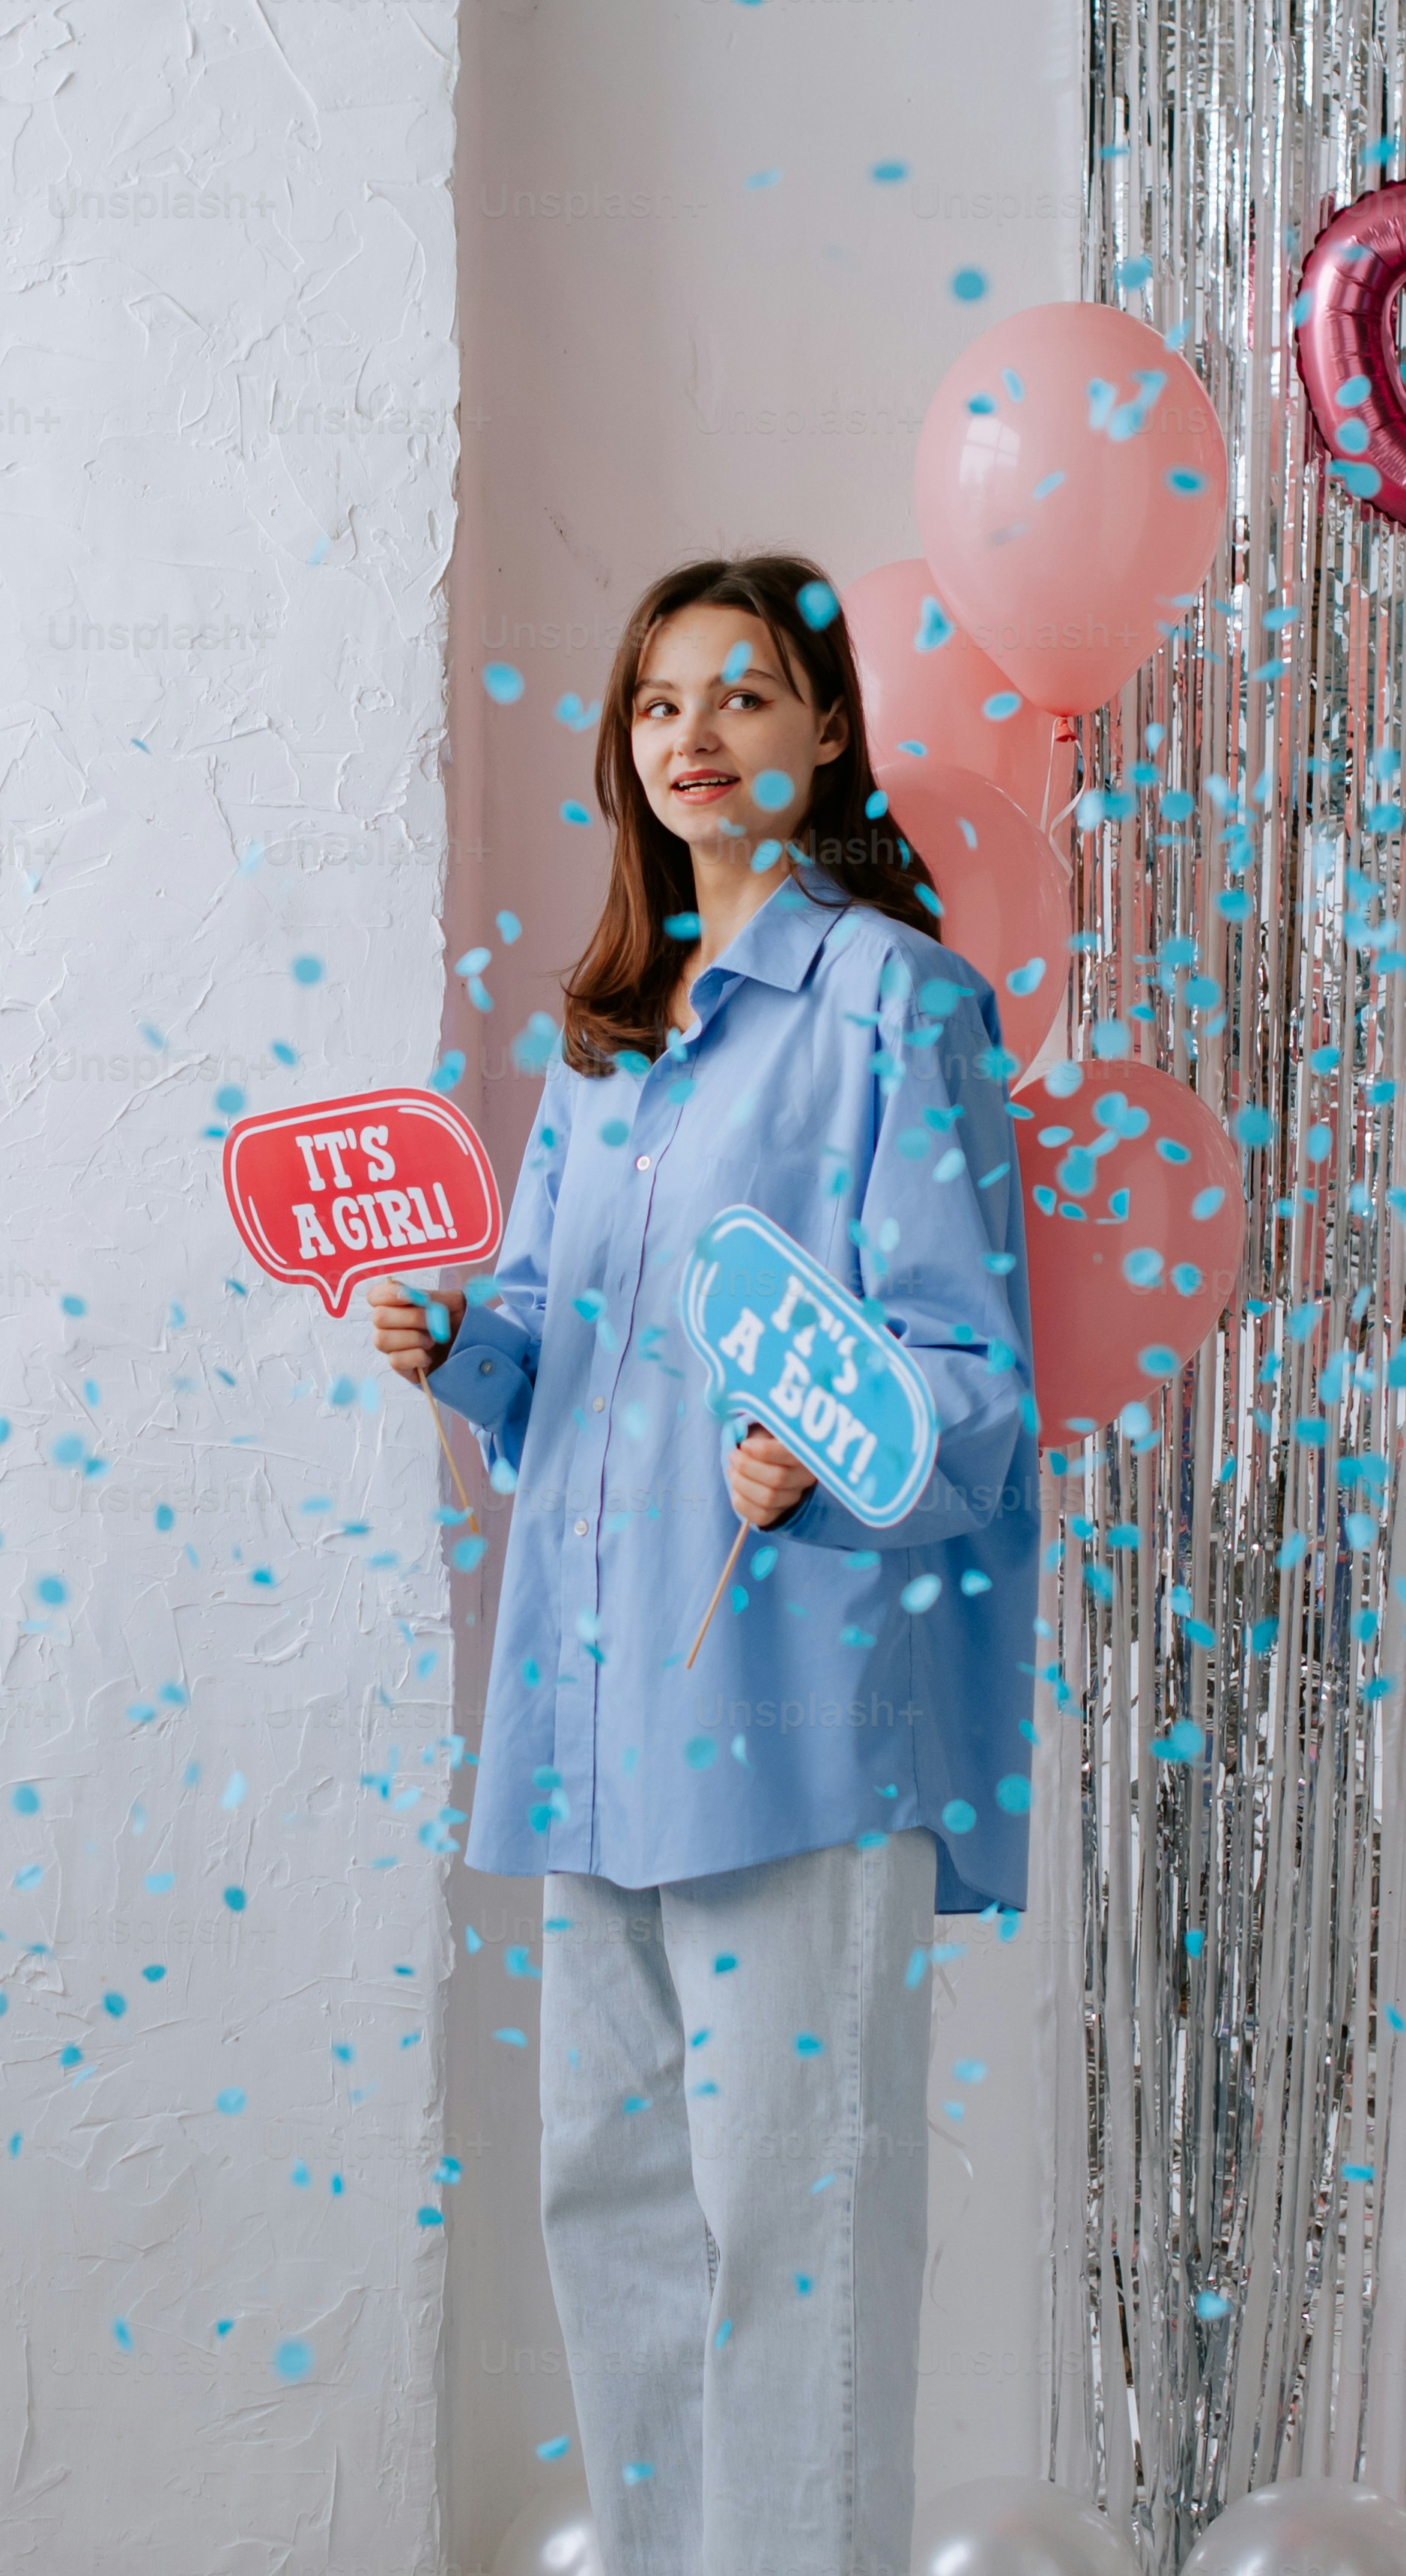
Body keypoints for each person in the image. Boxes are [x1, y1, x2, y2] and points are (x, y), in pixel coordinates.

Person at [374, 553, 1040, 2576]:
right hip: (589, 1703)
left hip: (792, 1704)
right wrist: (462, 1340)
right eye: (661, 703)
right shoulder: (598, 1042)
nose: (695, 737)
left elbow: (963, 1373)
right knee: (611, 2199)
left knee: (797, 2217)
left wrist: (830, 1455)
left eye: (742, 698)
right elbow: (560, 1351)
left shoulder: (894, 1006)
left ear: (825, 733)